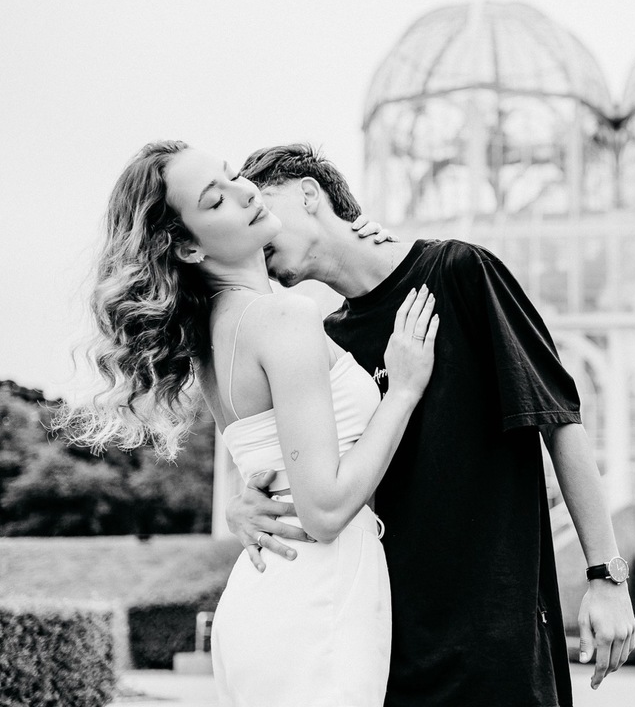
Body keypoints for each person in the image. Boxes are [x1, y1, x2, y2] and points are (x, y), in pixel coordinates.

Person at [225, 143, 635, 707]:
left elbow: (559, 421)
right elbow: (317, 480)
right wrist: (244, 505)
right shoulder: (326, 345)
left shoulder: (460, 272)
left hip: (496, 634)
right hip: (385, 639)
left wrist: (607, 577)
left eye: (260, 205)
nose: (256, 231)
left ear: (309, 193)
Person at [58, 140, 438, 706]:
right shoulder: (284, 316)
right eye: (216, 200)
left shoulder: (215, 333)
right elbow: (325, 509)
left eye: (234, 175)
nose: (245, 191)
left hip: (271, 593)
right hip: (318, 598)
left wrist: (360, 233)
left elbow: (272, 464)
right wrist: (402, 392)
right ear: (185, 247)